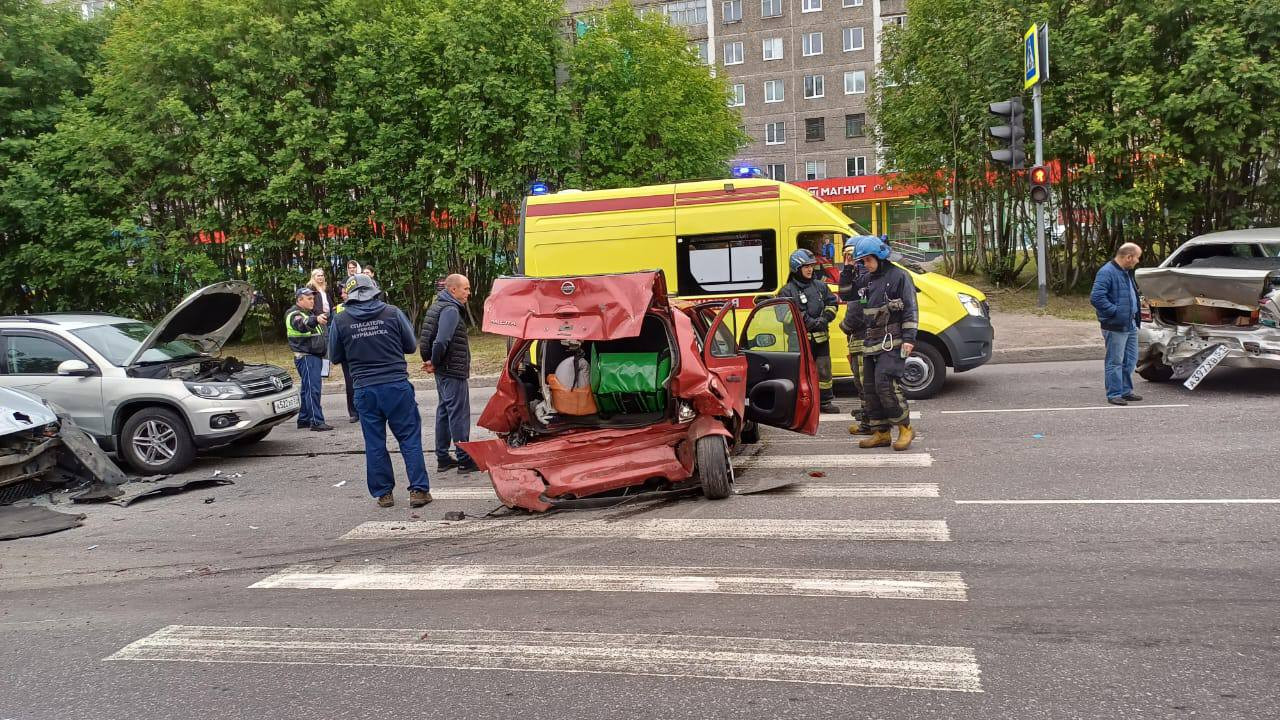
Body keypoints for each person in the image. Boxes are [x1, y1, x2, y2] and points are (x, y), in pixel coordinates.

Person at [328, 274, 432, 508]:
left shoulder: (341, 320)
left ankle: (384, 494)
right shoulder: (392, 313)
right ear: (375, 291)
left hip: (364, 388)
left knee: (375, 443)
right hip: (396, 385)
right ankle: (418, 490)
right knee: (409, 439)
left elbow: (334, 356)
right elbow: (410, 346)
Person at [848, 236, 918, 451]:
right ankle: (881, 433)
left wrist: (909, 339)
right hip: (870, 341)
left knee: (885, 384)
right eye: (862, 261)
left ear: (879, 257)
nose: (865, 265)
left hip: (892, 341)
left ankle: (905, 428)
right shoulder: (866, 278)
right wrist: (847, 269)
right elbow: (847, 294)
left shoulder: (899, 276)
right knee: (870, 388)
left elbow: (910, 308)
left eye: (867, 260)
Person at [419, 274, 477, 473]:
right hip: (452, 369)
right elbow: (441, 340)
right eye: (466, 289)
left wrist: (432, 362)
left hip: (443, 369)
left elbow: (429, 336)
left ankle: (443, 458)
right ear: (454, 290)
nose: (469, 293)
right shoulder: (451, 309)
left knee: (444, 412)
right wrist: (434, 362)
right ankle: (464, 460)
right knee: (458, 415)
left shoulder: (439, 305)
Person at [777, 249, 841, 415]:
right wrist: (806, 321)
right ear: (796, 268)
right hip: (798, 341)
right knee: (799, 373)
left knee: (824, 371)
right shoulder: (786, 291)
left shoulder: (820, 286)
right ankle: (799, 404)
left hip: (821, 339)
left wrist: (825, 318)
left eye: (811, 266)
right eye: (806, 266)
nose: (810, 269)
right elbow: (782, 315)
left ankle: (825, 401)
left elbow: (832, 303)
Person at [1090, 242, 1144, 405]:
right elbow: (1096, 298)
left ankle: (1126, 391)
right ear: (1128, 257)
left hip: (1130, 324)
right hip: (1115, 326)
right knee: (1115, 361)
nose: (1138, 261)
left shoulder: (1125, 272)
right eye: (1137, 258)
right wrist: (1116, 312)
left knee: (1130, 360)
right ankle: (1114, 393)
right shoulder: (1107, 272)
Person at [285, 287, 332, 432]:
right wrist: (316, 319)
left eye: (313, 298)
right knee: (313, 389)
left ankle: (304, 419)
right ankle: (317, 421)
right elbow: (302, 324)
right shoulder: (295, 314)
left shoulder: (308, 313)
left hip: (313, 356)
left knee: (307, 389)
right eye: (309, 299)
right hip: (307, 356)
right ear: (300, 300)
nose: (313, 301)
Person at [839, 242, 872, 435]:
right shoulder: (860, 276)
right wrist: (847, 269)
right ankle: (870, 420)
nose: (847, 259)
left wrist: (844, 327)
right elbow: (844, 293)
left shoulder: (864, 280)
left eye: (850, 255)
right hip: (861, 341)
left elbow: (855, 310)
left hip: (862, 341)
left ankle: (870, 424)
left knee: (864, 384)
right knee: (864, 384)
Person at [332, 284, 358, 423]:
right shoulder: (339, 309)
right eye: (341, 293)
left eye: (345, 292)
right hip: (346, 352)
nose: (342, 295)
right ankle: (353, 411)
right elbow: (334, 332)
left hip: (359, 350)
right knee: (350, 383)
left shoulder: (361, 306)